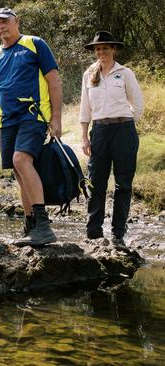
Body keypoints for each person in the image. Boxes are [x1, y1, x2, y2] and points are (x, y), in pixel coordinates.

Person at [0, 7, 63, 246]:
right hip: (7, 122)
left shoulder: (34, 44)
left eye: (5, 21)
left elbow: (54, 81)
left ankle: (44, 225)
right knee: (19, 172)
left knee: (21, 160)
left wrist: (56, 118)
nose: (1, 26)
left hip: (33, 115)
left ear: (16, 21)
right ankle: (30, 225)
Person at [79, 31, 143, 246]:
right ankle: (94, 232)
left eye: (105, 48)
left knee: (123, 184)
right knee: (96, 182)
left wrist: (126, 123)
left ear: (113, 49)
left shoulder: (124, 73)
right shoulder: (89, 75)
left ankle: (118, 233)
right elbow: (84, 109)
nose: (101, 52)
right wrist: (84, 138)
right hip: (98, 132)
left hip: (123, 130)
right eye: (98, 49)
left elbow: (138, 104)